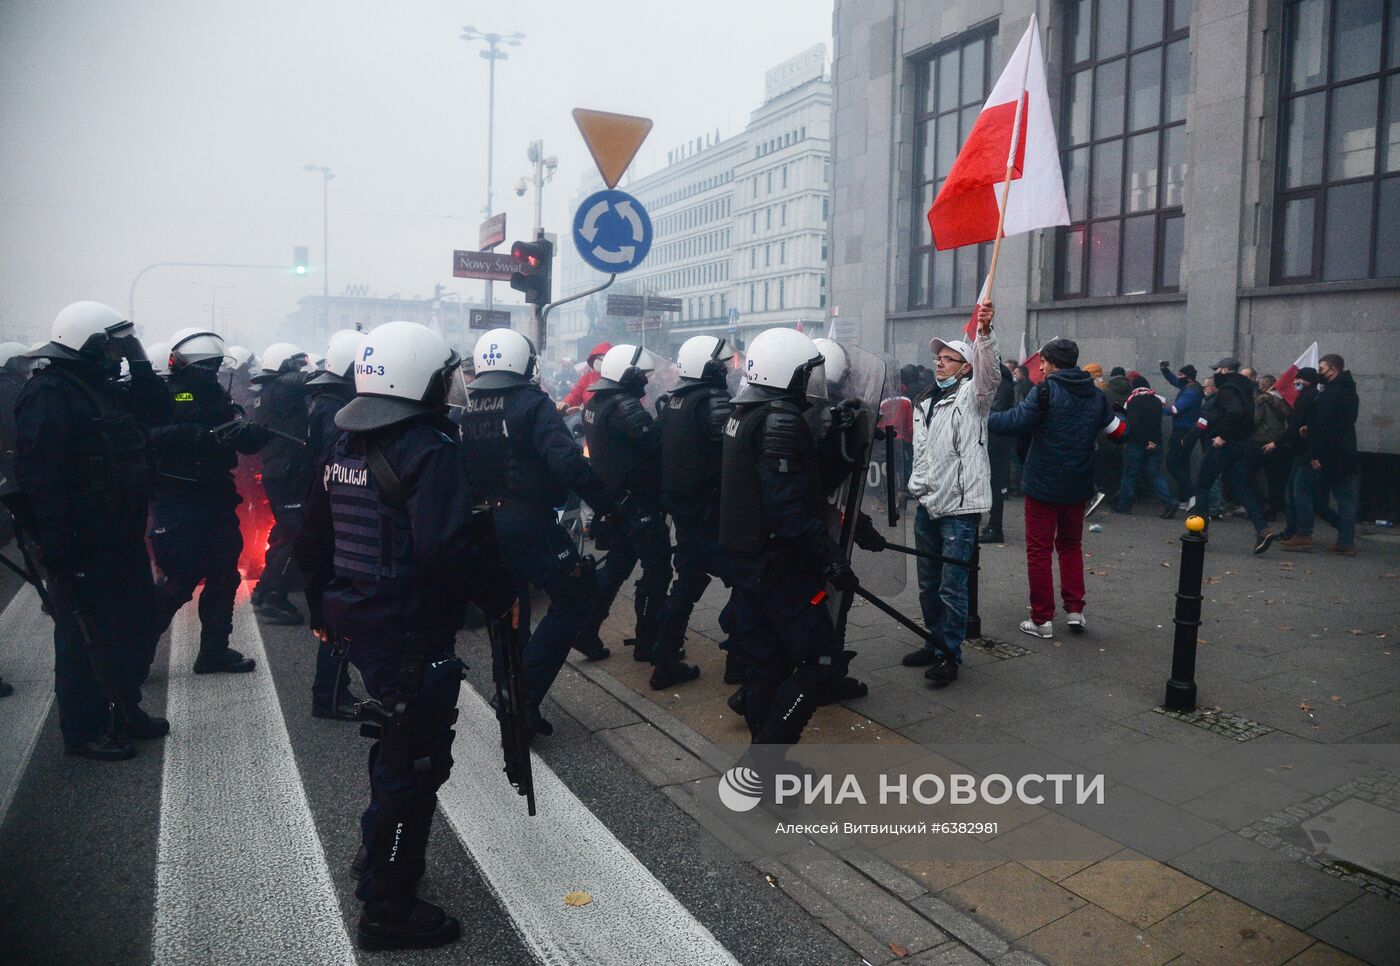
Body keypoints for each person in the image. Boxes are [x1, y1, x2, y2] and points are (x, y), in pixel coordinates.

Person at [296, 320, 508, 951]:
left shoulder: (345, 442)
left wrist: (324, 608)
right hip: (410, 630)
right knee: (414, 764)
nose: (453, 383)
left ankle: (375, 851)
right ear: (419, 377)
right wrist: (496, 593)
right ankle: (387, 908)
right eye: (446, 374)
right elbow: (445, 550)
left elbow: (313, 537)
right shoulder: (427, 449)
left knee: (394, 742)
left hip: (364, 624)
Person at [15, 301, 171, 760]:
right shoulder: (51, 393)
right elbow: (42, 476)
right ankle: (83, 730)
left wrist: (140, 362)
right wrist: (57, 546)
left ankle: (125, 708)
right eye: (114, 345)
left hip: (120, 534)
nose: (119, 353)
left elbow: (158, 410)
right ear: (88, 344)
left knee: (135, 621)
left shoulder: (101, 388)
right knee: (84, 637)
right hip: (81, 541)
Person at [458, 327, 619, 731]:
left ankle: (514, 703)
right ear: (523, 362)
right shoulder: (531, 402)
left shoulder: (466, 406)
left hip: (483, 522)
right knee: (575, 597)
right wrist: (607, 506)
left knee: (508, 610)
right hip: (527, 520)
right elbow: (567, 462)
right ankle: (521, 696)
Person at [720, 327, 858, 749]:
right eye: (807, 373)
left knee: (766, 663)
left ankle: (765, 768)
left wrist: (835, 443)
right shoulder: (780, 419)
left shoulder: (745, 412)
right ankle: (765, 761)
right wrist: (830, 557)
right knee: (819, 661)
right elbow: (787, 507)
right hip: (780, 564)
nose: (812, 383)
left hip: (749, 560)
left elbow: (799, 480)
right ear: (787, 373)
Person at [147, 327, 270, 674]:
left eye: (217, 365)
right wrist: (189, 435)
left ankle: (214, 650)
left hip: (216, 494)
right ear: (190, 365)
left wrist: (251, 435)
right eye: (209, 366)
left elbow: (236, 433)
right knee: (181, 578)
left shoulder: (216, 395)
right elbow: (146, 436)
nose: (214, 372)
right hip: (178, 496)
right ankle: (133, 654)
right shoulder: (161, 394)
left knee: (224, 574)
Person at [988, 338, 1128, 639]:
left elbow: (1014, 421)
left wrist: (981, 417)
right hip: (1078, 483)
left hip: (1043, 483)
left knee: (1039, 550)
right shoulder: (1095, 394)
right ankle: (1075, 610)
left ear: (1052, 363)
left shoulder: (1045, 391)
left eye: (1043, 361)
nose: (1039, 367)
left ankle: (1042, 619)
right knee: (1070, 546)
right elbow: (1119, 432)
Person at [903, 303, 1000, 684]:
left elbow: (989, 374)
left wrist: (985, 334)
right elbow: (922, 454)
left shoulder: (973, 397)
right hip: (928, 504)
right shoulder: (925, 402)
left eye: (948, 358)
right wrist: (917, 489)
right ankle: (933, 641)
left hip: (959, 509)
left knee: (951, 586)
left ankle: (950, 653)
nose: (939, 363)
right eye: (938, 358)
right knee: (927, 584)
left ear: (965, 367)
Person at [653, 336, 736, 689]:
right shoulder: (712, 399)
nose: (727, 370)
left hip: (685, 511)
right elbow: (732, 451)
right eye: (722, 365)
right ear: (708, 367)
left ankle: (664, 661)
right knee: (747, 583)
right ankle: (740, 664)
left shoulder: (675, 399)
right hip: (713, 512)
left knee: (685, 585)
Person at [299, 329, 365, 719]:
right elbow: (338, 462)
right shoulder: (335, 410)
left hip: (327, 510)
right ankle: (329, 694)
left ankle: (332, 690)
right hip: (335, 513)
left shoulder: (326, 403)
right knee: (343, 607)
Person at [250, 342, 313, 624]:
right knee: (296, 533)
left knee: (286, 531)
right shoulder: (281, 388)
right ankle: (274, 595)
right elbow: (302, 380)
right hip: (289, 471)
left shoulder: (266, 392)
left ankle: (265, 589)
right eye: (296, 364)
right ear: (283, 366)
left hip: (279, 471)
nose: (301, 370)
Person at [1190, 357, 1278, 554]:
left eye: (1217, 369)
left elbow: (1234, 412)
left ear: (1225, 370)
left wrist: (1222, 436)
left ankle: (1199, 531)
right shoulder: (1247, 390)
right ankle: (1262, 528)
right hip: (1241, 444)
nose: (1215, 373)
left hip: (1223, 445)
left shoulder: (1229, 389)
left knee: (1203, 486)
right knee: (1240, 486)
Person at [1307, 354, 1359, 555]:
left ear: (1333, 370)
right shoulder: (1349, 391)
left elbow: (1324, 426)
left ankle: (1342, 536)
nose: (1319, 372)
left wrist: (1316, 454)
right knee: (1344, 498)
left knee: (1306, 490)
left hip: (1330, 453)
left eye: (1322, 369)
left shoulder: (1331, 393)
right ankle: (1346, 538)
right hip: (1345, 451)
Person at [1276, 368, 1323, 551]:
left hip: (1305, 452)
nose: (1296, 382)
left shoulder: (1307, 398)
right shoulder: (1313, 396)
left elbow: (1297, 424)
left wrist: (1277, 442)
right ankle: (1294, 531)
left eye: (1299, 379)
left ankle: (1302, 533)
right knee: (1295, 493)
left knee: (1299, 494)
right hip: (1304, 451)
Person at [1116, 374, 1177, 517]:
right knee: (1155, 473)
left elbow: (1134, 425)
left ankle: (1124, 506)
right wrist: (1153, 441)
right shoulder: (1156, 401)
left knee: (1129, 475)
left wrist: (1145, 442)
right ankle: (1169, 502)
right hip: (1156, 443)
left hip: (1136, 444)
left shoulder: (1133, 401)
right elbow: (1156, 424)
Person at [983, 338, 1018, 544]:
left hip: (995, 441)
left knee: (995, 485)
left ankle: (995, 527)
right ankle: (991, 524)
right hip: (993, 439)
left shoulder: (1000, 383)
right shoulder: (996, 381)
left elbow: (995, 411)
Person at [1159, 361, 1202, 505]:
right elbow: (1174, 380)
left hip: (1183, 432)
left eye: (1181, 375)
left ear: (1188, 377)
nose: (1178, 377)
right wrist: (1165, 370)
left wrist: (1157, 407)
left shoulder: (1191, 392)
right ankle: (1186, 499)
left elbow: (1175, 410)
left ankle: (1191, 495)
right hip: (1186, 430)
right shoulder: (1190, 387)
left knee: (1173, 463)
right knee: (1183, 464)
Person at [1248, 375, 1291, 519]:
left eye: (1261, 384)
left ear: (1264, 385)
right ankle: (1274, 508)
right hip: (1277, 443)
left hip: (1259, 442)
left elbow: (1255, 420)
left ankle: (1260, 504)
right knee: (1274, 479)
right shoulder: (1282, 400)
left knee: (1246, 474)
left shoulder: (1261, 400)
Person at [557, 341, 611, 412]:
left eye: (602, 358)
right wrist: (566, 402)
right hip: (588, 415)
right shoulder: (588, 377)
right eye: (596, 358)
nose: (598, 361)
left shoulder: (616, 378)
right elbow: (576, 393)